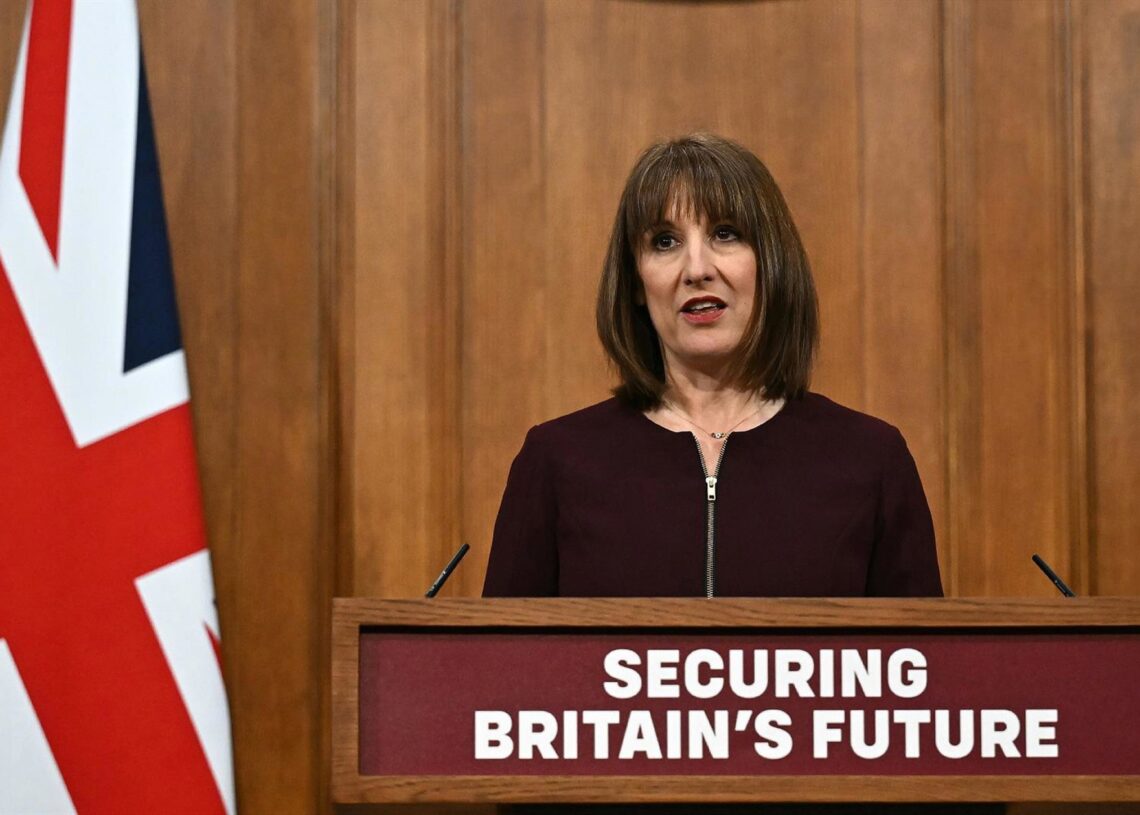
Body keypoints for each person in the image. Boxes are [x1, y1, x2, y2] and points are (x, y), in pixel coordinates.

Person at [483, 133, 942, 599]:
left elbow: (924, 646)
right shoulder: (556, 461)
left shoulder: (871, 459)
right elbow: (500, 648)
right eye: (665, 242)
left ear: (770, 262)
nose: (697, 269)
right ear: (637, 282)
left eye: (725, 234)